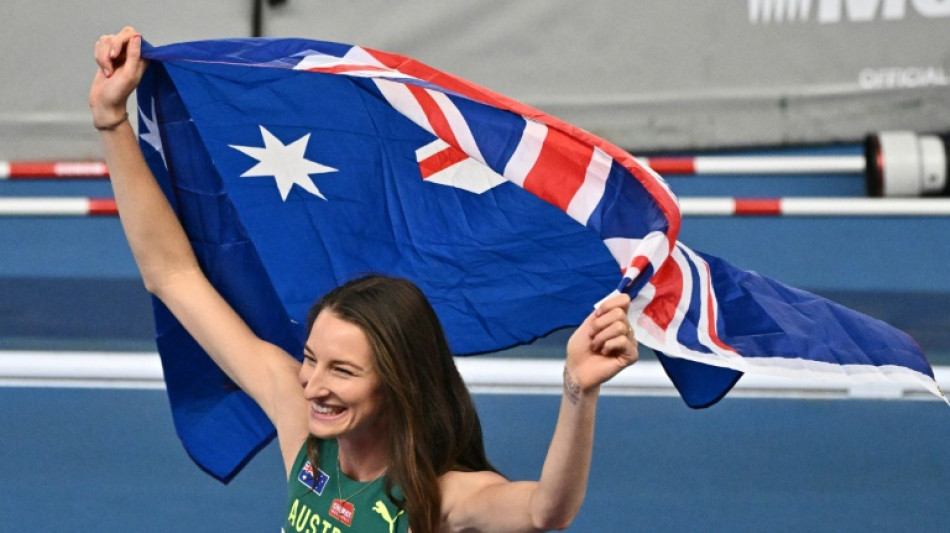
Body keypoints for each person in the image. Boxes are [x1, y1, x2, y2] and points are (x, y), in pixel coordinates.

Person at [90, 26, 639, 533]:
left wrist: (577, 390)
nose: (312, 384)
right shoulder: (300, 424)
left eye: (342, 370)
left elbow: (546, 511)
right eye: (311, 358)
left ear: (401, 381)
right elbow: (173, 275)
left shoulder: (444, 498)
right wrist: (112, 122)